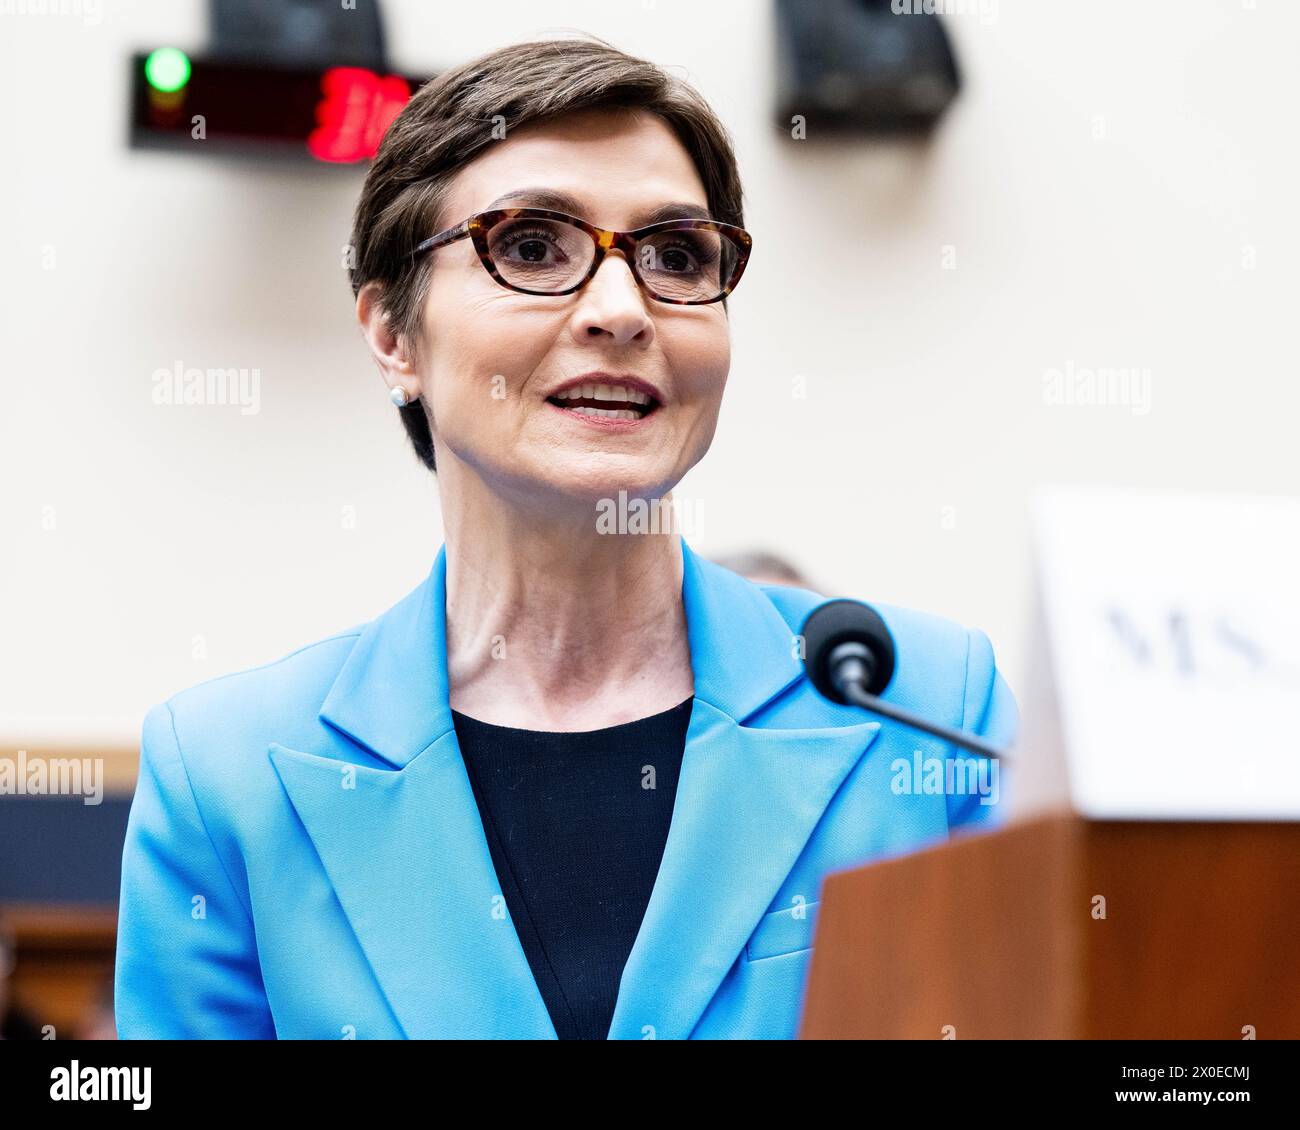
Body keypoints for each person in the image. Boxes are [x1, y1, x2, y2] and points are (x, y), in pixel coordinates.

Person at [115, 36, 1017, 1040]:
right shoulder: (229, 772)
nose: (623, 309)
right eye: (532, 245)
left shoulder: (927, 711)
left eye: (678, 257)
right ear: (391, 335)